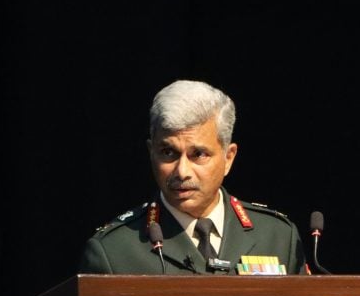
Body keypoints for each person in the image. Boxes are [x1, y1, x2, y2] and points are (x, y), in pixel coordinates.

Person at [79, 79, 308, 275]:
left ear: (228, 157)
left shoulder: (277, 237)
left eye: (198, 154)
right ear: (151, 153)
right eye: (168, 153)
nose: (182, 172)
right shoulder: (114, 251)